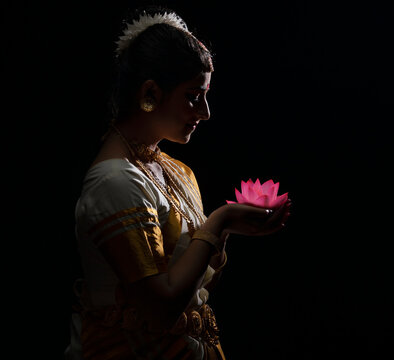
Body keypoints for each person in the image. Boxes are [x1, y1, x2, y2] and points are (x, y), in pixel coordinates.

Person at [65, 5, 291, 360]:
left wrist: (227, 230)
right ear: (150, 93)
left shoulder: (176, 171)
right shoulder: (114, 181)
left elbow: (196, 288)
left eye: (205, 95)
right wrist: (220, 222)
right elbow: (161, 310)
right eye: (192, 96)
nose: (205, 112)